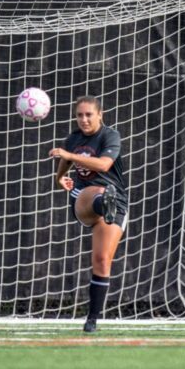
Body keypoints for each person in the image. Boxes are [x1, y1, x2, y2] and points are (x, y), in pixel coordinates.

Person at [50, 96, 128, 333]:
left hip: (117, 202)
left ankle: (92, 320)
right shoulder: (74, 139)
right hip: (83, 198)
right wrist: (59, 177)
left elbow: (104, 165)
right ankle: (102, 202)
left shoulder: (109, 136)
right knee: (98, 192)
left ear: (100, 115)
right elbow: (65, 161)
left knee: (102, 261)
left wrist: (70, 156)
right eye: (79, 115)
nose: (83, 119)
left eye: (88, 115)